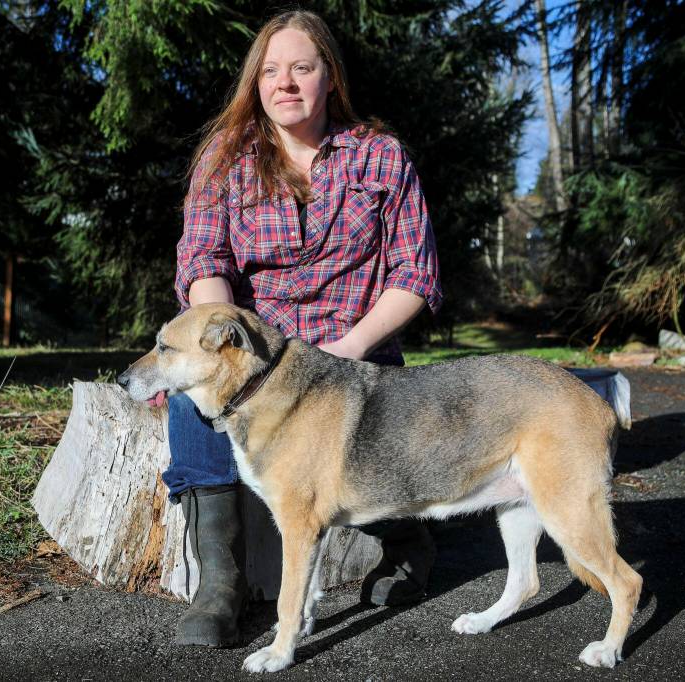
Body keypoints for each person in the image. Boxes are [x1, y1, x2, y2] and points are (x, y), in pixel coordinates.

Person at [163, 9, 443, 648]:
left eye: (301, 68)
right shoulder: (225, 158)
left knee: (380, 429)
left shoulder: (380, 156)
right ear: (254, 83)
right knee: (189, 403)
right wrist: (222, 342)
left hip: (355, 349)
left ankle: (402, 538)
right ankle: (221, 584)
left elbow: (415, 274)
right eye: (270, 71)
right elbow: (205, 262)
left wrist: (349, 348)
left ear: (329, 78)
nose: (284, 82)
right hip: (258, 351)